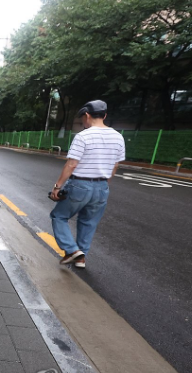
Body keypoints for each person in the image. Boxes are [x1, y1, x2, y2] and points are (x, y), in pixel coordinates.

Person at [49, 100, 125, 269]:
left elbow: (71, 164)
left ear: (87, 115)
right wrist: (104, 184)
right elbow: (115, 166)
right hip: (102, 186)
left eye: (82, 118)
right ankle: (81, 259)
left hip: (80, 184)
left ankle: (72, 250)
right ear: (104, 115)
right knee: (88, 222)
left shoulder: (83, 136)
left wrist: (57, 186)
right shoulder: (118, 137)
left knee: (59, 216)